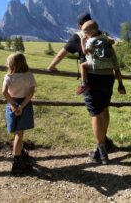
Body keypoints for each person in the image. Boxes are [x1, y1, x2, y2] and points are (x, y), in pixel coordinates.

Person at [47, 12, 126, 164]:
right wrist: (119, 80)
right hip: (108, 77)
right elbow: (114, 57)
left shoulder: (80, 36)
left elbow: (60, 55)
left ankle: (102, 151)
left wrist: (51, 67)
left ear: (80, 26)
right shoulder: (104, 36)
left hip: (92, 78)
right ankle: (103, 142)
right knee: (104, 109)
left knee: (95, 113)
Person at [2, 52, 37, 174]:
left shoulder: (9, 77)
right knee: (19, 133)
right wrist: (22, 106)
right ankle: (17, 162)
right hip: (25, 105)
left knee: (16, 131)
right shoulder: (29, 76)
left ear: (11, 64)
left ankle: (19, 151)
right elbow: (31, 93)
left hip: (12, 104)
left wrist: (14, 105)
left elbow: (4, 92)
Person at [77, 20, 126, 96]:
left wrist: (82, 41)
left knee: (82, 65)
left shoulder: (90, 40)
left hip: (96, 65)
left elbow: (85, 52)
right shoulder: (104, 36)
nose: (85, 35)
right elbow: (112, 41)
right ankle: (121, 84)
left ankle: (84, 84)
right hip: (109, 64)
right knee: (116, 68)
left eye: (86, 32)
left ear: (92, 31)